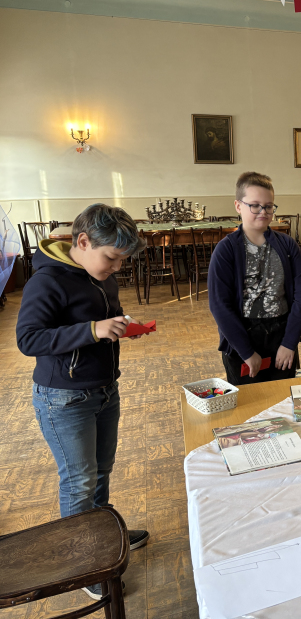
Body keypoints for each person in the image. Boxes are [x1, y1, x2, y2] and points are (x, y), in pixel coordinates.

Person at [15, 203, 150, 600]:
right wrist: (93, 330)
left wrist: (123, 325)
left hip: (105, 389)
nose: (117, 267)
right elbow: (28, 339)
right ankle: (85, 565)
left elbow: (106, 314)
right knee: (79, 483)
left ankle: (104, 540)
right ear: (84, 242)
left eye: (122, 260)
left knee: (101, 472)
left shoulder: (101, 272)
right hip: (65, 399)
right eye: (112, 258)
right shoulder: (48, 281)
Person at [208, 172, 301, 385]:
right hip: (241, 340)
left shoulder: (287, 245)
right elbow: (219, 305)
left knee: (285, 396)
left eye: (269, 206)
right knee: (249, 401)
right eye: (255, 205)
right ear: (238, 206)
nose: (263, 212)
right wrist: (246, 351)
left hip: (282, 339)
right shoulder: (226, 249)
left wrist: (289, 343)